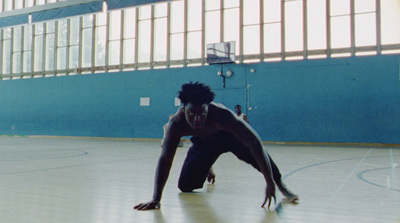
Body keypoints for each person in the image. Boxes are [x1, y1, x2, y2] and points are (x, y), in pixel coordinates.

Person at [134, 82, 298, 211]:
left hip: (230, 139)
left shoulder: (223, 116)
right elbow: (165, 160)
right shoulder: (176, 124)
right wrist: (156, 198)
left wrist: (269, 182)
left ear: (208, 108)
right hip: (204, 144)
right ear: (183, 109)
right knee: (185, 186)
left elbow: (255, 143)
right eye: (192, 114)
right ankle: (208, 166)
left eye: (202, 114)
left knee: (254, 155)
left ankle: (282, 185)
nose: (197, 119)